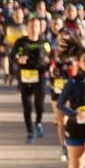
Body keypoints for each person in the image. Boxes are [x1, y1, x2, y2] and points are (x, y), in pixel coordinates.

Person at [11, 15, 51, 143]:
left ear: (40, 28)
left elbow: (51, 58)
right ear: (27, 28)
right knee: (27, 107)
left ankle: (38, 122)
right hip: (25, 77)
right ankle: (30, 132)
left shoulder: (44, 43)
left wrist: (48, 61)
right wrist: (18, 59)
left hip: (40, 76)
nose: (34, 29)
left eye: (36, 26)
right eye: (31, 26)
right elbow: (12, 57)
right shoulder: (20, 42)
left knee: (39, 104)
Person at [1, 4, 27, 84]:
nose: (18, 16)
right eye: (16, 14)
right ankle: (6, 73)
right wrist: (2, 44)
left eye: (19, 14)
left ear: (23, 15)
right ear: (13, 15)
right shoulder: (7, 24)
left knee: (17, 67)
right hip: (10, 46)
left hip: (22, 48)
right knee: (4, 54)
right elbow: (3, 36)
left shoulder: (26, 24)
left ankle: (19, 81)